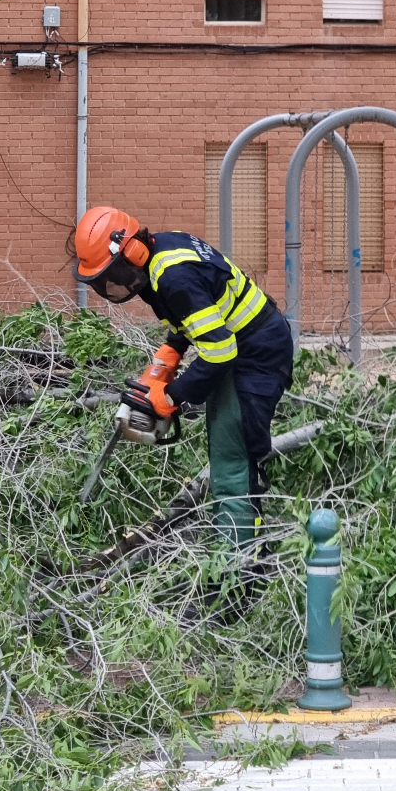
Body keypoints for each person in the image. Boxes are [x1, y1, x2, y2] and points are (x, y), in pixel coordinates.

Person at [73, 206, 293, 553]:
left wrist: (171, 396)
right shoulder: (162, 251)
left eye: (112, 274)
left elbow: (219, 352)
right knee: (232, 449)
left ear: (133, 252)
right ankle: (247, 549)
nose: (111, 284)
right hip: (243, 344)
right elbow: (191, 315)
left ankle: (238, 568)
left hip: (255, 355)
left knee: (233, 457)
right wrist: (166, 360)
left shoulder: (174, 277)